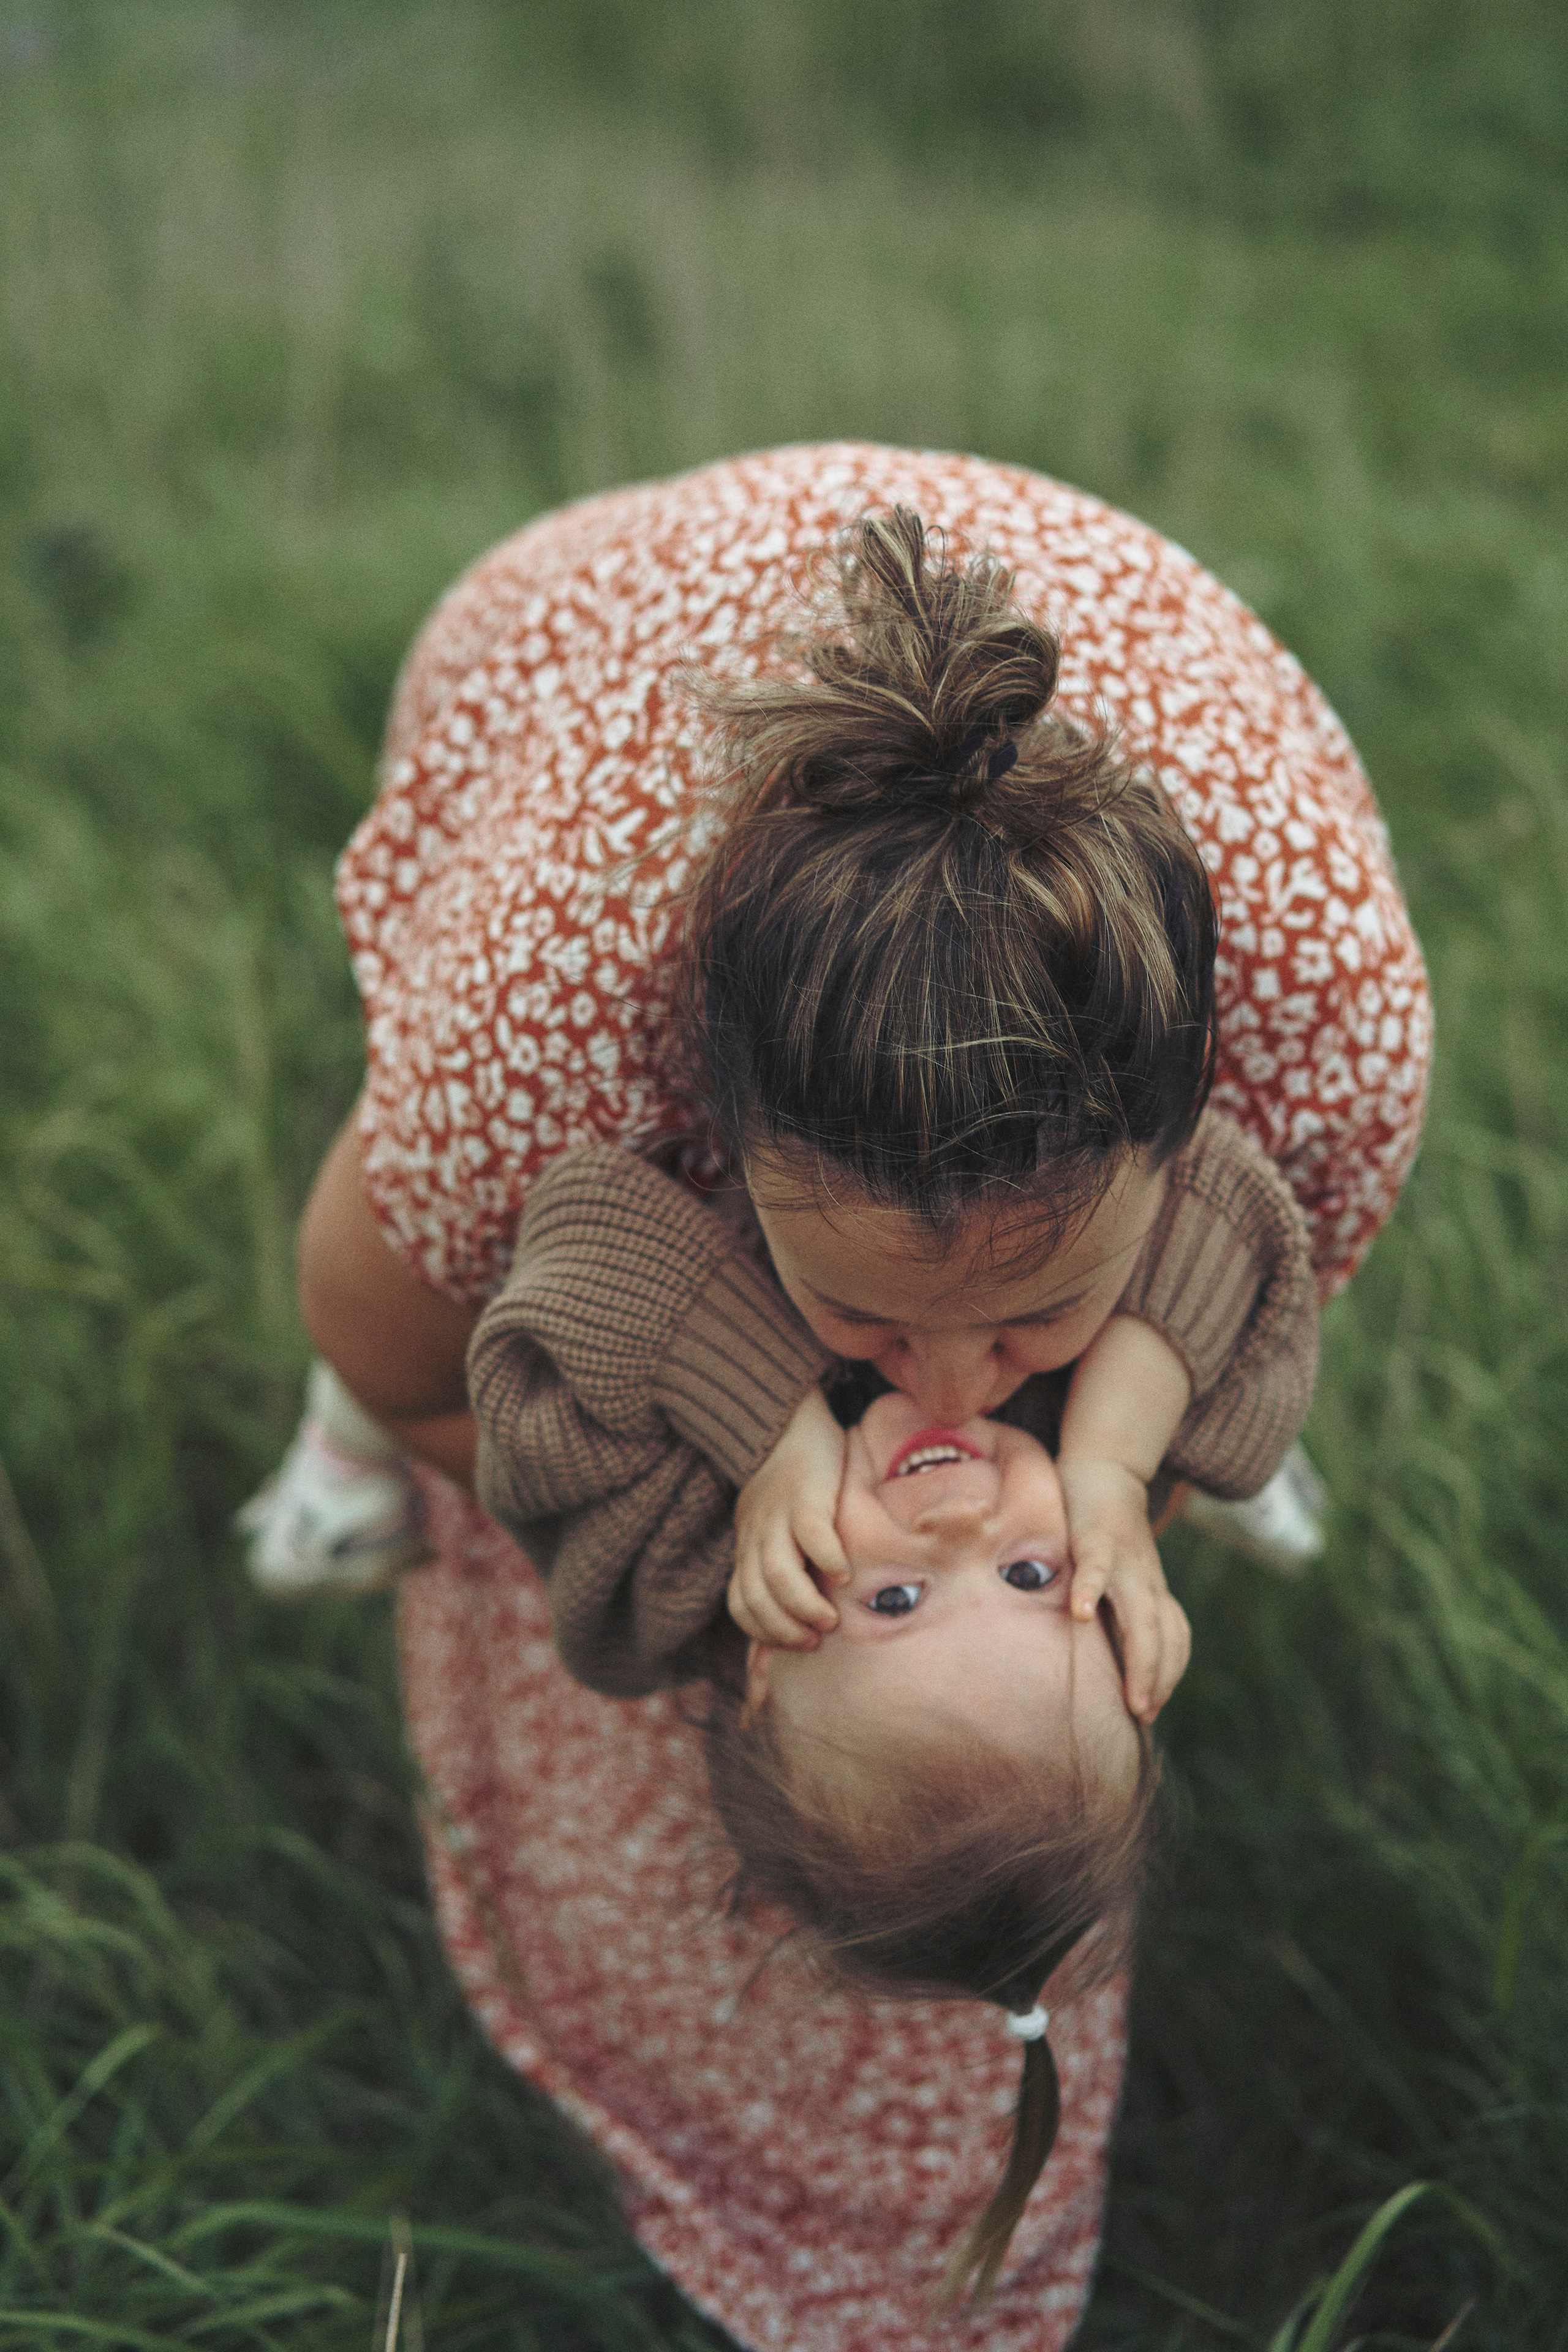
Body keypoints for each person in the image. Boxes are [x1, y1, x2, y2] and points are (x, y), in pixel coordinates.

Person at [276, 445, 1430, 2346]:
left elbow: (1248, 1214)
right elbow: (412, 1334)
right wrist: (943, 1430)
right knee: (429, 1242)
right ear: (713, 1137)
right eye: (867, 1313)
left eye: (1038, 1308)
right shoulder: (550, 1016)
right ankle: (334, 1453)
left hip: (1145, 682)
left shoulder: (1323, 1026)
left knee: (1164, 1325)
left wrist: (1092, 1462)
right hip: (578, 639)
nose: (963, 1437)